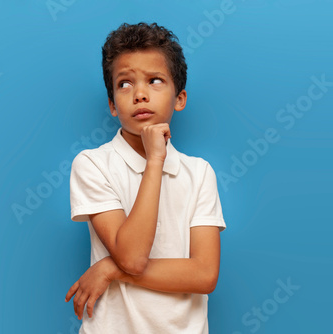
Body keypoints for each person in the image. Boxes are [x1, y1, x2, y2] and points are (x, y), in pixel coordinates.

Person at [65, 22, 227, 333]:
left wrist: (110, 269)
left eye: (154, 81)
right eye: (125, 84)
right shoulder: (92, 164)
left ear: (179, 99)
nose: (139, 94)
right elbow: (133, 257)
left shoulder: (199, 172)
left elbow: (205, 275)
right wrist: (155, 160)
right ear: (113, 105)